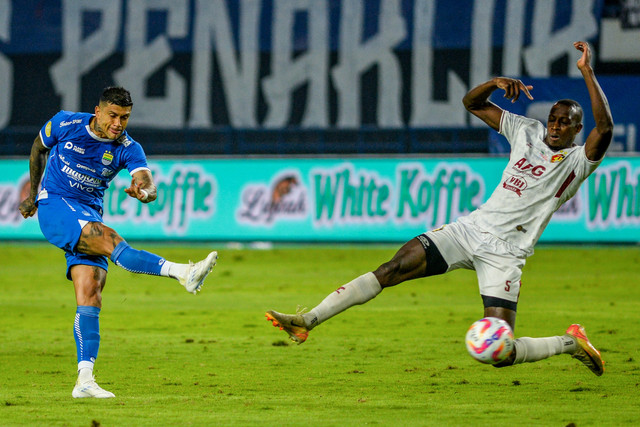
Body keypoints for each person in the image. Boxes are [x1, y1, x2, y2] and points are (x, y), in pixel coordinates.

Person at [266, 41, 613, 376]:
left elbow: (606, 127)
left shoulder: (577, 162)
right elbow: (473, 104)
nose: (555, 125)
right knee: (391, 268)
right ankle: (307, 321)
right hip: (469, 230)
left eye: (564, 122)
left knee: (501, 353)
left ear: (577, 129)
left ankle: (570, 343)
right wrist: (493, 82)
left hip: (506, 254)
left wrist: (587, 71)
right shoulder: (526, 130)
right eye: (553, 118)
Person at [19, 86, 218, 398]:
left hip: (87, 212)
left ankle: (84, 381)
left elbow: (148, 183)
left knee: (91, 293)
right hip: (56, 206)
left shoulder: (128, 147)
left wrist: (145, 192)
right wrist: (32, 195)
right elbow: (37, 147)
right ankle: (183, 273)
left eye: (124, 117)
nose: (118, 123)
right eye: (112, 115)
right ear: (97, 112)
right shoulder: (65, 123)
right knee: (112, 241)